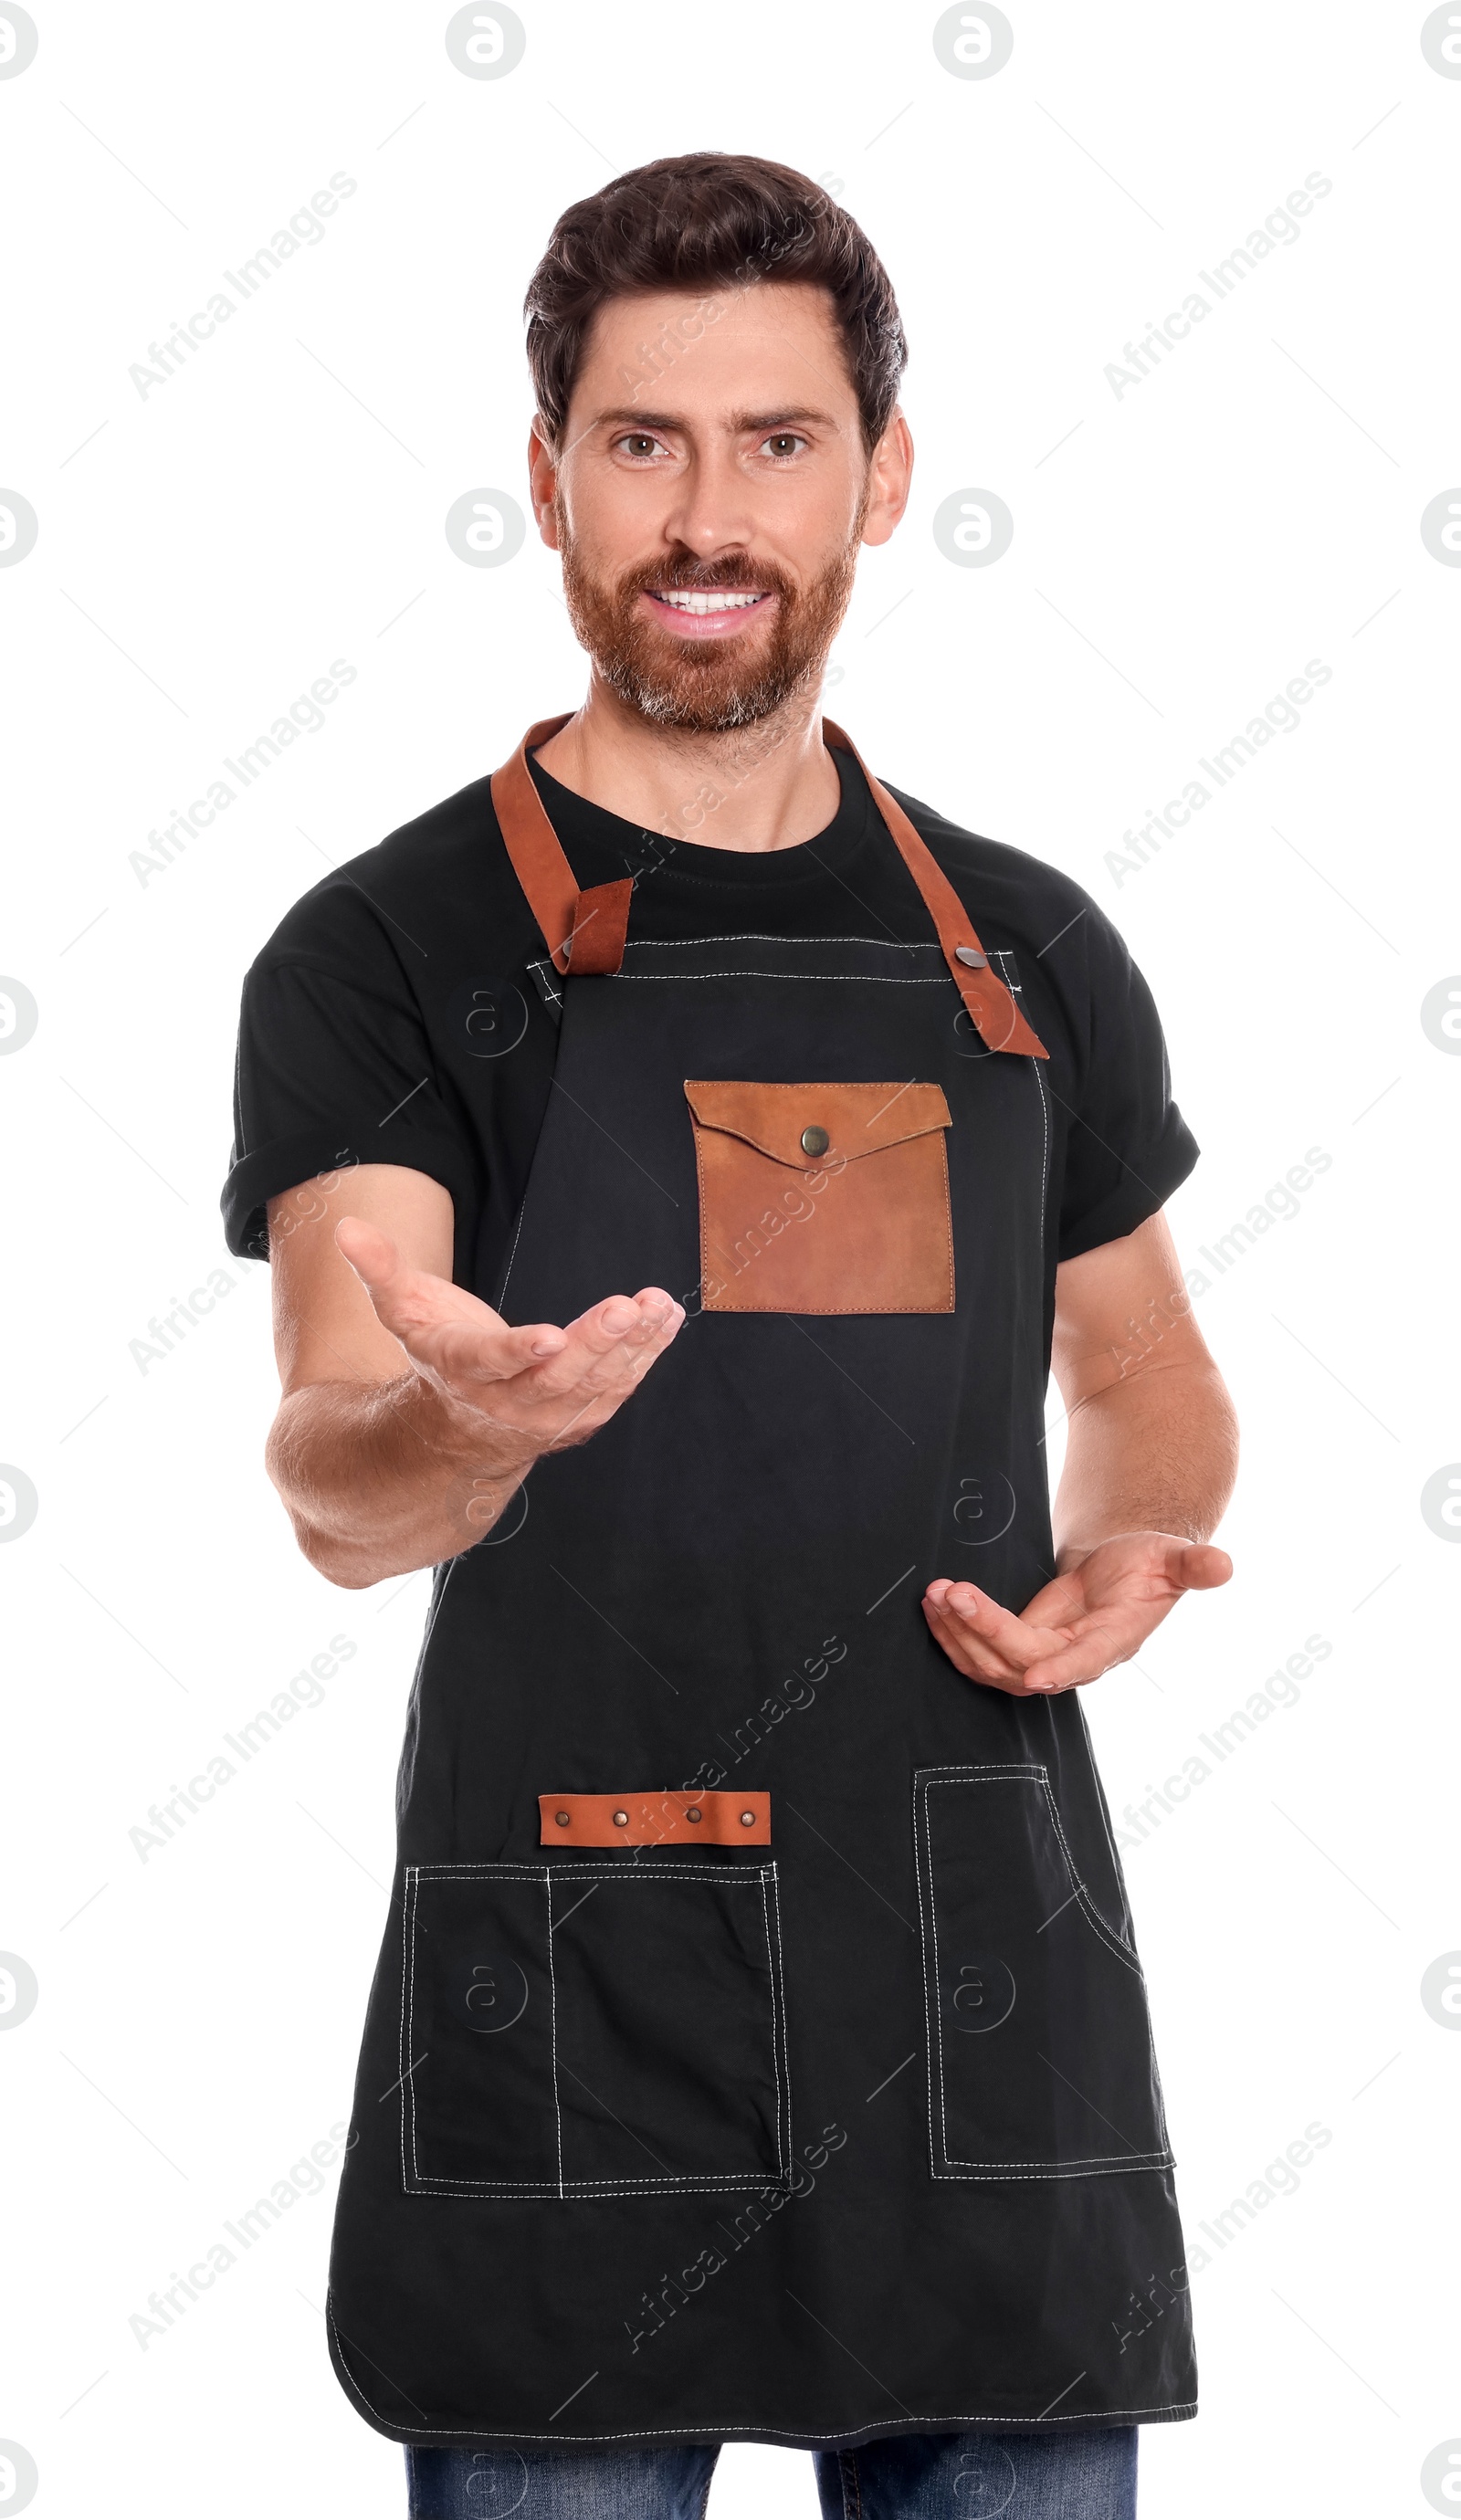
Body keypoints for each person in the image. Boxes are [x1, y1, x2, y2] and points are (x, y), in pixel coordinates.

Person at [222, 152, 1237, 2520]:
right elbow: (327, 1472)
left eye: (779, 441)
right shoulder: (389, 951)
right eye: (643, 441)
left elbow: (1153, 1370)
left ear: (883, 477)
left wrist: (1145, 1535)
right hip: (582, 2000)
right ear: (553, 478)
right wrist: (460, 1431)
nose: (708, 514)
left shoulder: (1031, 948)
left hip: (984, 1999)